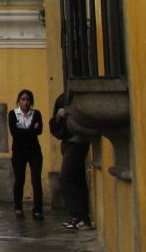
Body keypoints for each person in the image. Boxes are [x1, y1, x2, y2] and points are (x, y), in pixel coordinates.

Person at [51, 92, 92, 230]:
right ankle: (82, 218)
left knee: (66, 179)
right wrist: (57, 119)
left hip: (76, 144)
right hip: (72, 143)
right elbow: (55, 127)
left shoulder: (73, 102)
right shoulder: (64, 100)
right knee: (78, 180)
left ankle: (78, 216)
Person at [8, 88, 44, 219]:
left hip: (34, 151)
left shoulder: (37, 113)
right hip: (18, 152)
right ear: (19, 101)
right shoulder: (12, 114)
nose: (25, 102)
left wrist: (23, 130)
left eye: (28, 100)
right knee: (19, 179)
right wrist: (30, 130)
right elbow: (14, 133)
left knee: (36, 180)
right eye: (23, 99)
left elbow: (39, 131)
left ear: (31, 101)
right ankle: (18, 207)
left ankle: (38, 209)